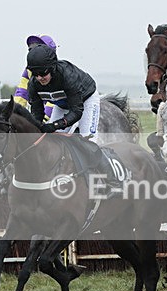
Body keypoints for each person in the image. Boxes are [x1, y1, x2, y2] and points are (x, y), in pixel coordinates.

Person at [24, 44, 121, 193]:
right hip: (62, 104)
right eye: (35, 74)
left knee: (87, 143)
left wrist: (55, 125)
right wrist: (38, 127)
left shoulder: (68, 75)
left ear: (52, 68)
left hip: (85, 100)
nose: (39, 78)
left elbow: (76, 112)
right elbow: (37, 113)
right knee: (49, 141)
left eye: (43, 73)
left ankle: (112, 181)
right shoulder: (34, 84)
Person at [14, 34, 57, 119]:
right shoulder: (28, 71)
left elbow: (54, 100)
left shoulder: (57, 70)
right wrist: (13, 111)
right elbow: (22, 93)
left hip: (64, 110)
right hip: (40, 109)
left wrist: (45, 118)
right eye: (30, 48)